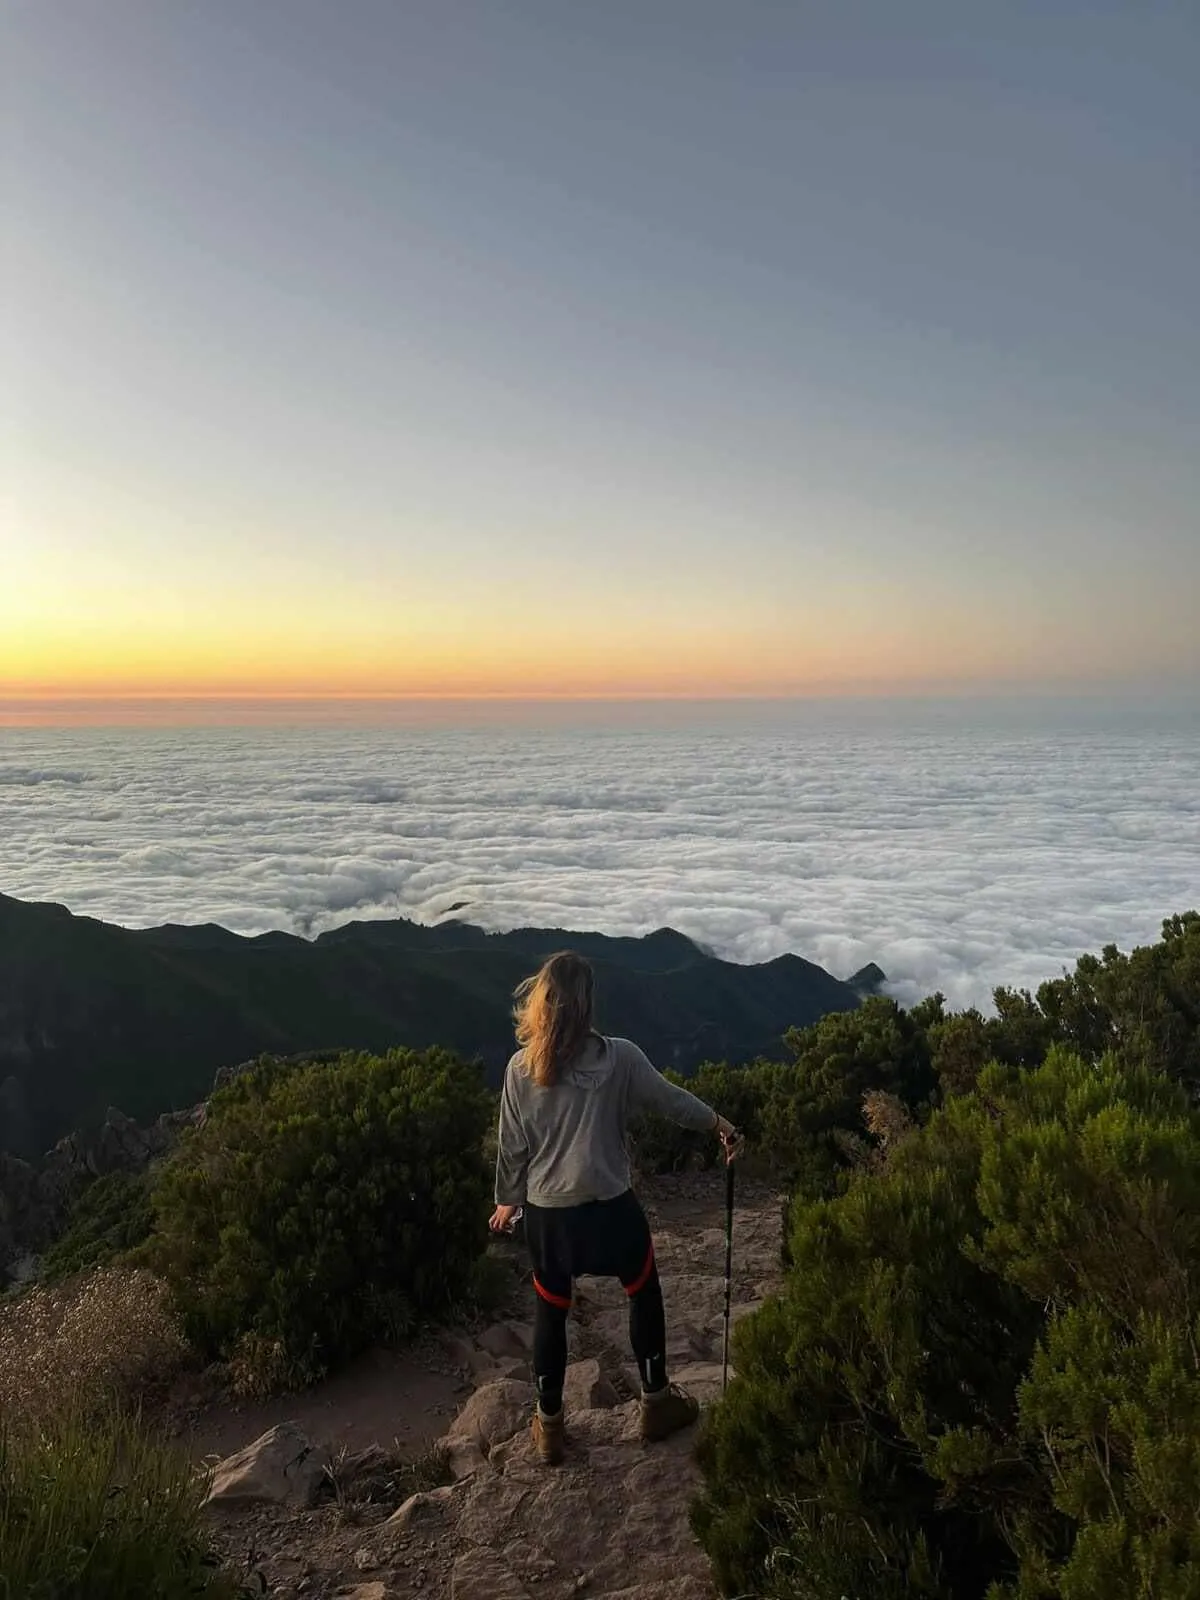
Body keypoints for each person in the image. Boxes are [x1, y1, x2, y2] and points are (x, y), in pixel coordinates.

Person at [489, 949, 741, 1466]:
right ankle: (654, 1402)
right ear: (587, 1004)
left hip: (550, 1217)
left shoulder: (519, 1069)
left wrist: (508, 1202)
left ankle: (550, 1427)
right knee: (643, 1291)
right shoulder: (619, 1058)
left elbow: (512, 1146)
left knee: (550, 1312)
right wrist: (719, 1124)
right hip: (610, 1209)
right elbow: (671, 1100)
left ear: (540, 1002)